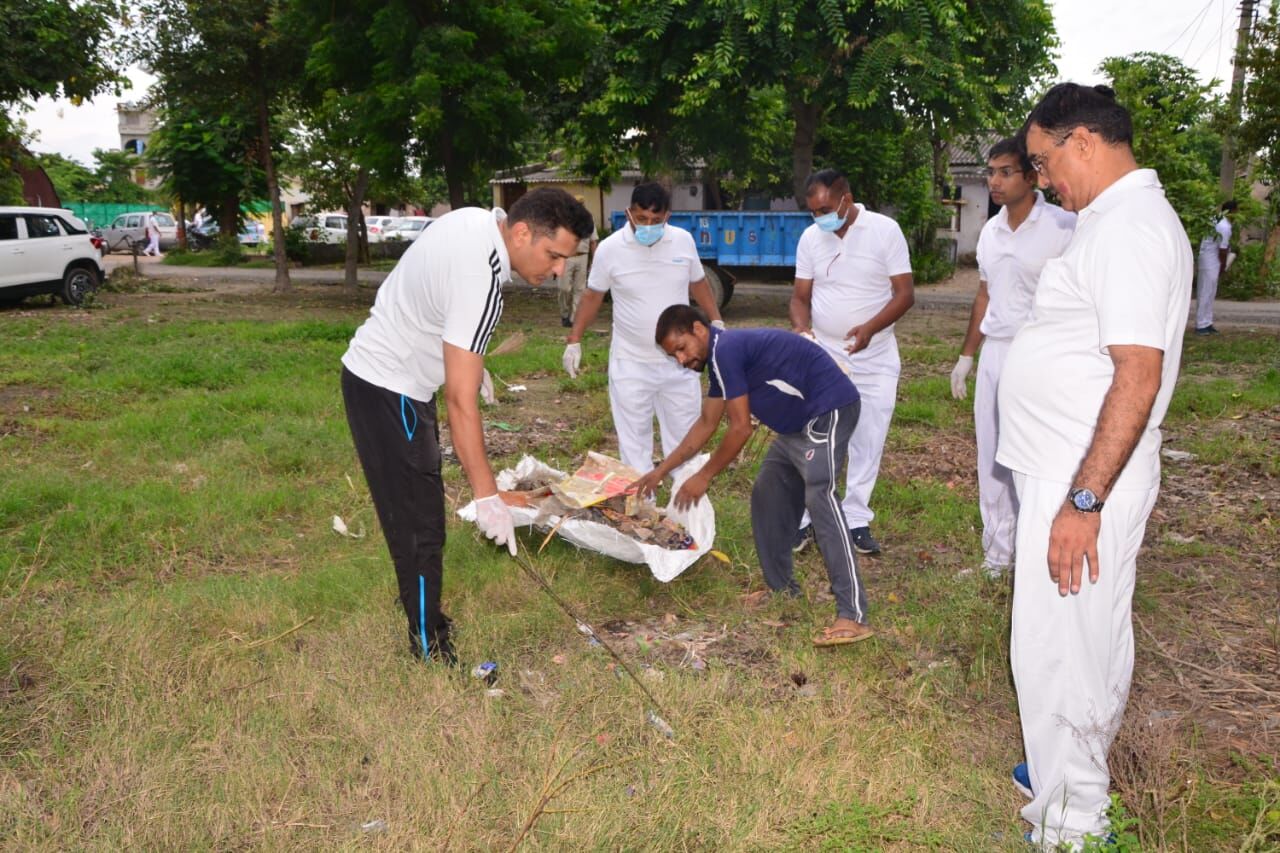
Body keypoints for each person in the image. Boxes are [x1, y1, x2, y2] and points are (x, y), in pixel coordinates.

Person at [999, 83, 1192, 849]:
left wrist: (1083, 500)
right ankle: (1064, 773)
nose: (1043, 180)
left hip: (1082, 477)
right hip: (1068, 468)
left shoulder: (1130, 228)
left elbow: (1137, 373)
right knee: (1079, 639)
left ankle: (1072, 823)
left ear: (1082, 141)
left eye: (1044, 163)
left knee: (1060, 651)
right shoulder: (1109, 221)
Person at [340, 188, 594, 664]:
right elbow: (460, 402)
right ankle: (429, 645)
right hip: (389, 389)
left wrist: (473, 369)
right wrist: (486, 496)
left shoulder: (476, 221)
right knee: (420, 527)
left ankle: (425, 613)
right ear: (522, 233)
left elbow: (432, 299)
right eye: (555, 255)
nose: (559, 269)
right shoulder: (484, 280)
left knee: (416, 512)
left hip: (383, 379)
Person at [632, 305, 872, 646]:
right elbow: (706, 425)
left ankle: (854, 615)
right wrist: (660, 471)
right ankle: (782, 591)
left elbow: (741, 428)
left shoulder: (725, 349)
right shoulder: (719, 359)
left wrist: (705, 475)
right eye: (674, 356)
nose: (682, 361)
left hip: (828, 410)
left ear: (699, 329)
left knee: (821, 498)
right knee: (767, 495)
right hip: (795, 429)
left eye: (681, 348)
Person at [949, 137, 1075, 578]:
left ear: (1032, 176)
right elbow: (985, 294)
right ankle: (997, 555)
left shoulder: (1063, 227)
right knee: (994, 456)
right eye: (991, 172)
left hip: (1042, 354)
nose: (994, 181)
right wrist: (968, 355)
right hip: (998, 353)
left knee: (1036, 455)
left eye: (1005, 172)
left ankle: (1036, 553)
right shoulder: (990, 231)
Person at [791, 169, 914, 556]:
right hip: (824, 355)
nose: (820, 218)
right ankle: (807, 518)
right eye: (813, 211)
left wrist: (871, 328)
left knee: (868, 437)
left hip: (875, 356)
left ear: (847, 197)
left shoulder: (884, 230)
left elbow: (905, 293)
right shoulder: (812, 238)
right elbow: (799, 297)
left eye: (826, 208)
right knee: (818, 437)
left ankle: (856, 517)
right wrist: (801, 329)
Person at [562, 182, 723, 474]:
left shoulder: (683, 241)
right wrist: (575, 340)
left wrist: (717, 322)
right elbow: (593, 295)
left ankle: (686, 506)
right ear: (629, 213)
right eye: (641, 218)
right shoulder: (610, 249)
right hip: (631, 363)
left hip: (680, 363)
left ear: (668, 217)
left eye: (656, 220)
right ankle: (641, 509)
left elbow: (698, 282)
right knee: (634, 445)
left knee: (685, 437)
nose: (648, 225)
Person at [1195, 200, 1236, 335]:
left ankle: (1207, 322)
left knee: (1210, 292)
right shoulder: (1224, 226)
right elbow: (1222, 251)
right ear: (1232, 211)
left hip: (1208, 258)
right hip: (1211, 260)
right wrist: (1223, 267)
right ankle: (1201, 325)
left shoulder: (1215, 219)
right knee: (1206, 292)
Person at [558, 197, 597, 327]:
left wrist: (594, 260)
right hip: (567, 257)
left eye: (581, 204)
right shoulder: (564, 220)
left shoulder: (589, 219)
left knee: (579, 289)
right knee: (564, 288)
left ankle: (574, 318)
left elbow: (593, 241)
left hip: (583, 256)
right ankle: (564, 314)